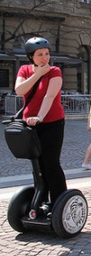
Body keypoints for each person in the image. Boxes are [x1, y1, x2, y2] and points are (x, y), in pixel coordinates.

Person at [14, 36, 67, 204]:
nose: (45, 58)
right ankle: (41, 200)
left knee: (51, 163)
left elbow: (49, 96)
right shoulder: (24, 70)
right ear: (31, 57)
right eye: (40, 54)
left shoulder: (55, 71)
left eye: (46, 53)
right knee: (37, 165)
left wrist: (40, 117)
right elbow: (20, 90)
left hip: (52, 123)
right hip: (30, 124)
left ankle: (59, 201)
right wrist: (37, 75)